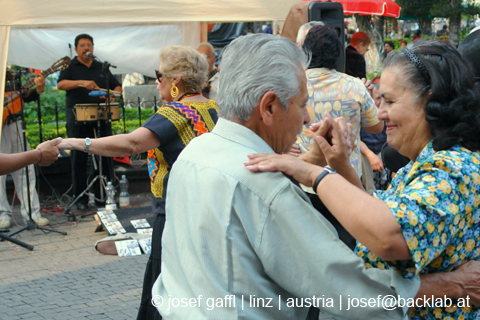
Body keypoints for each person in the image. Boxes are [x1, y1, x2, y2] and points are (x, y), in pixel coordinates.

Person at [149, 33, 480, 320]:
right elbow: (344, 286)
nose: (308, 115)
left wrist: (325, 169)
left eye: (388, 100)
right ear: (268, 107)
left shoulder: (196, 152)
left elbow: (381, 224)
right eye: (302, 104)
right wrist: (450, 286)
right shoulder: (264, 183)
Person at [245, 39, 480, 319]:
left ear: (428, 101)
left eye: (389, 101)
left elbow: (391, 237)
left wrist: (313, 173)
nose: (380, 113)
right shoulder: (425, 163)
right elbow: (375, 217)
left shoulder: (451, 169)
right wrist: (340, 164)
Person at [58, 45, 218, 320]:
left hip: (176, 215)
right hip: (206, 211)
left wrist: (77, 142)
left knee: (166, 291)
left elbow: (132, 143)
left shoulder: (175, 112)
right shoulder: (214, 107)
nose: (157, 82)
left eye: (159, 75)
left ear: (176, 80)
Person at [298, 25, 383, 180]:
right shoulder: (355, 86)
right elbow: (377, 127)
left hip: (306, 178)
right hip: (347, 179)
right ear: (337, 53)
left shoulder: (295, 85)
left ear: (305, 51)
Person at [57, 33, 122, 211]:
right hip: (78, 117)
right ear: (76, 49)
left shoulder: (101, 67)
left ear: (93, 48)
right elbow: (61, 84)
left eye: (89, 45)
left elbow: (117, 86)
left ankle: (104, 195)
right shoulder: (70, 65)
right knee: (79, 157)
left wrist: (112, 96)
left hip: (101, 116)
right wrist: (81, 83)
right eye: (83, 45)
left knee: (105, 153)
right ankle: (81, 199)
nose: (86, 48)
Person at [0, 71, 50, 228]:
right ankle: (3, 215)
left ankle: (32, 214)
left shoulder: (11, 75)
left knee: (26, 169)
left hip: (14, 124)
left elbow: (26, 96)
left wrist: (39, 89)